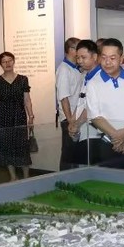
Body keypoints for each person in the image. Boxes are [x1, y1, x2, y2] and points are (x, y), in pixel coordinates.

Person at [86, 38, 124, 169]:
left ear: (121, 58)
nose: (107, 62)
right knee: (110, 178)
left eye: (112, 58)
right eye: (104, 57)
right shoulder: (93, 83)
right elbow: (95, 116)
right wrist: (116, 136)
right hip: (108, 139)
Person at [0, 51, 34, 181]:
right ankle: (13, 177)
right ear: (0, 64)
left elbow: (27, 99)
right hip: (2, 118)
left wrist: (31, 116)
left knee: (22, 147)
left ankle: (26, 177)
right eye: (4, 61)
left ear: (13, 61)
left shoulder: (23, 79)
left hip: (19, 116)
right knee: (6, 147)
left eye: (9, 60)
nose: (7, 63)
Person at [69, 39, 102, 165]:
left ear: (95, 57)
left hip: (94, 133)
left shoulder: (99, 78)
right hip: (83, 132)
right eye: (78, 57)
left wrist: (77, 124)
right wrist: (72, 121)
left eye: (83, 57)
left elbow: (91, 107)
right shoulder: (86, 76)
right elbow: (81, 101)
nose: (80, 61)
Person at [55, 37, 82, 170]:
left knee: (75, 152)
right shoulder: (64, 70)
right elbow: (64, 97)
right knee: (68, 152)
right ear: (71, 50)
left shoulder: (75, 69)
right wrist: (71, 120)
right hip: (69, 118)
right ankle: (64, 179)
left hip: (76, 117)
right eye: (79, 48)